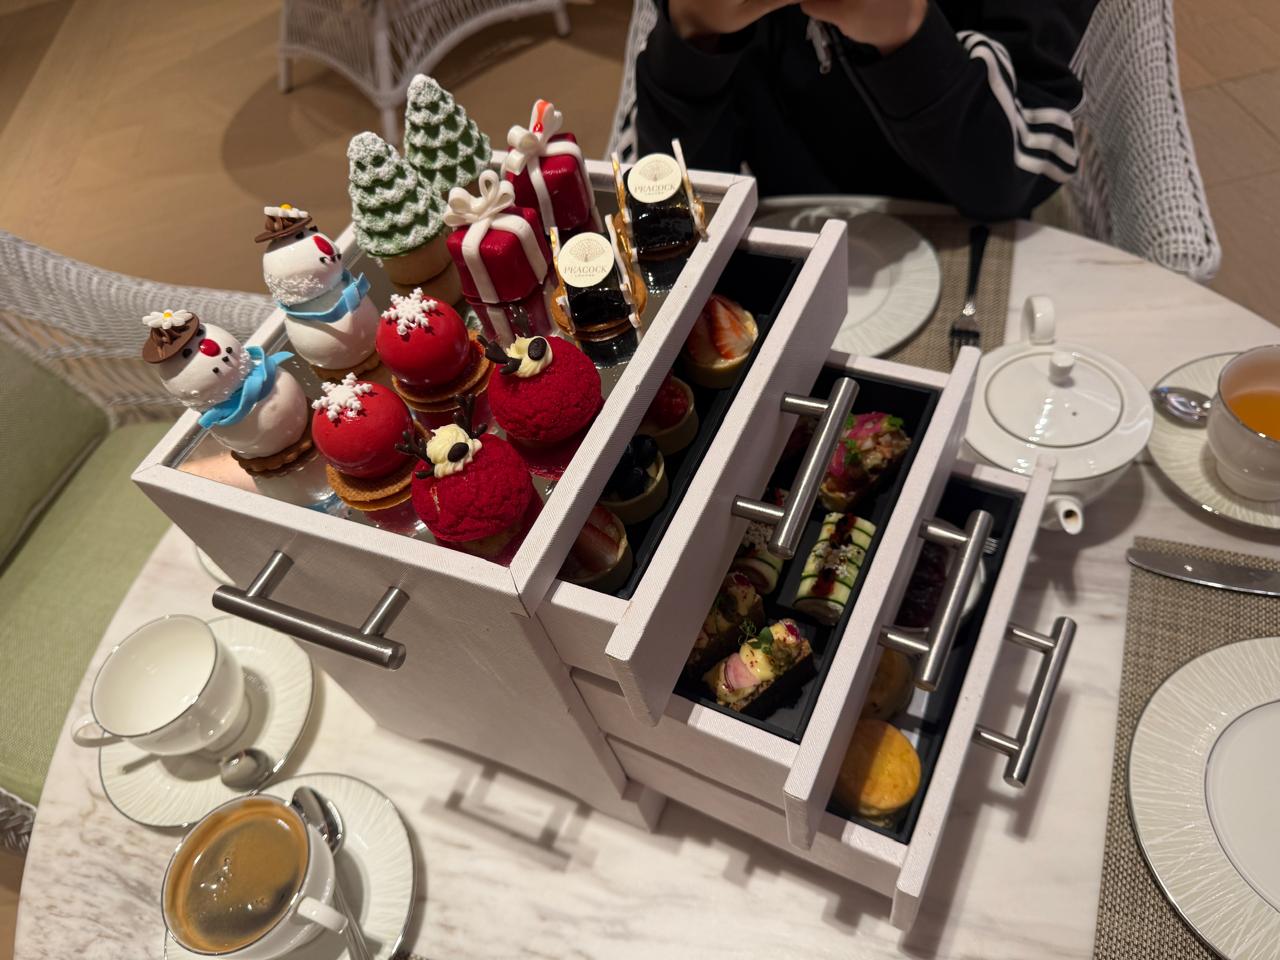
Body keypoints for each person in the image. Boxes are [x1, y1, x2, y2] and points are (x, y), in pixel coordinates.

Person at [635, 0, 1098, 222]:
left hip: (970, 249)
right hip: (779, 252)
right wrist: (694, 32)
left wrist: (908, 32)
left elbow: (1015, 178)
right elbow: (673, 212)